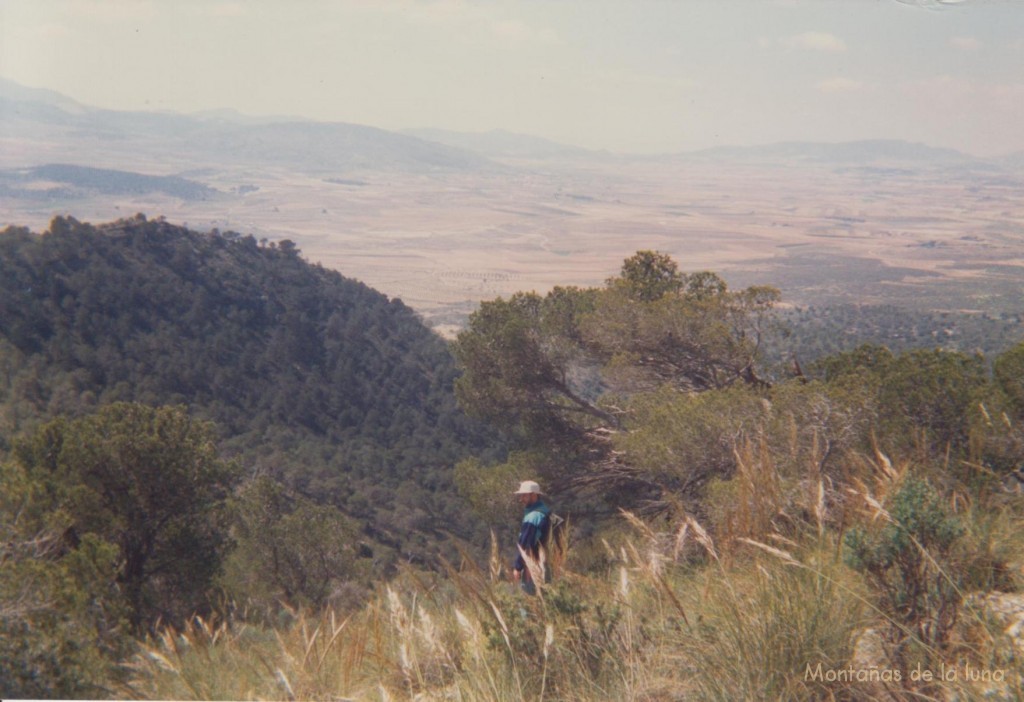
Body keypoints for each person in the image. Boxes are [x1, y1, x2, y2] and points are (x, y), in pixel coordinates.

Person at [512, 480, 552, 595]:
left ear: (534, 495)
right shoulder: (546, 511)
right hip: (546, 563)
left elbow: (524, 543)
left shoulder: (533, 516)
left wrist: (518, 567)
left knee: (529, 603)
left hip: (532, 566)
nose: (521, 499)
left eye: (524, 495)